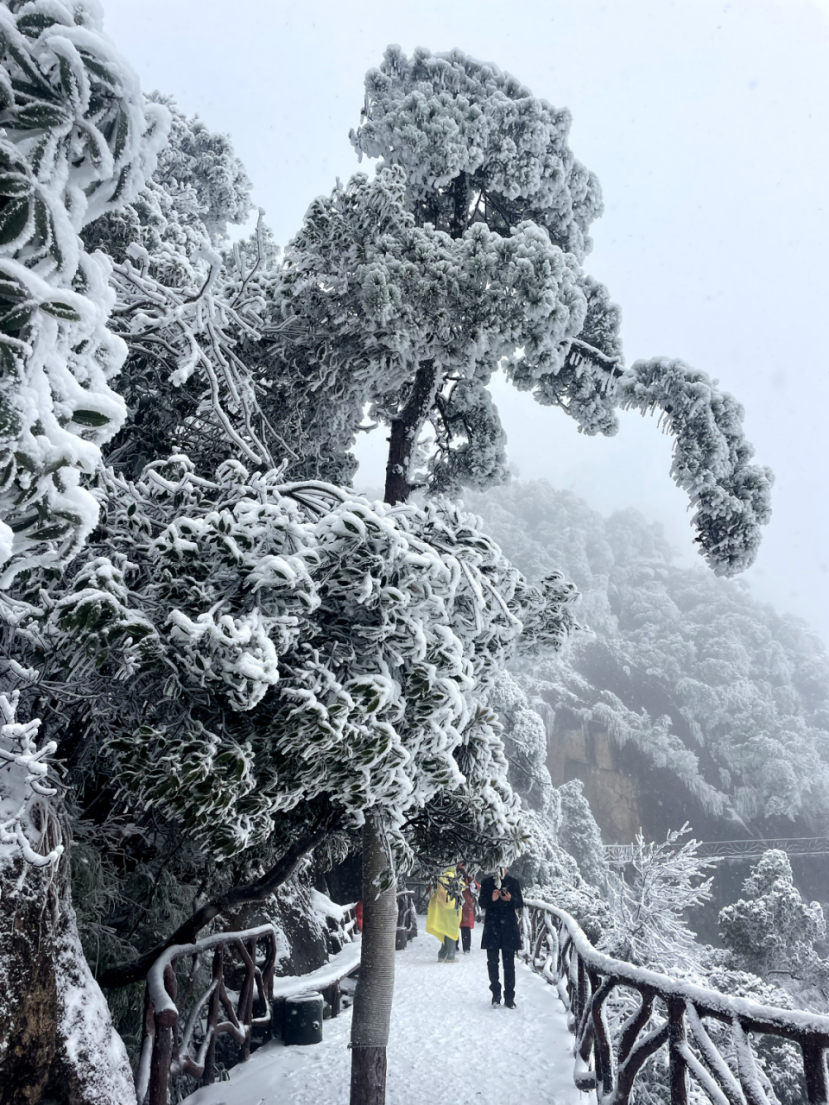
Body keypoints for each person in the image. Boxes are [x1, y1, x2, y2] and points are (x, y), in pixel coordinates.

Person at [479, 866, 524, 1007]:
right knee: (492, 963)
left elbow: (520, 903)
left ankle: (509, 997)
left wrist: (510, 899)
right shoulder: (486, 883)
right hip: (492, 928)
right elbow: (481, 903)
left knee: (509, 965)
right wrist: (492, 899)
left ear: (508, 867)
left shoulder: (513, 882)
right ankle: (496, 995)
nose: (500, 870)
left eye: (503, 867)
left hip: (509, 928)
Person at [426, 865, 462, 963]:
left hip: (442, 908)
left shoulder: (441, 877)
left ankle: (442, 954)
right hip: (451, 908)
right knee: (451, 931)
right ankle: (450, 956)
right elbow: (460, 888)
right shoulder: (451, 876)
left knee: (446, 931)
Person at [456, 861, 479, 953]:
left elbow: (476, 886)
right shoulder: (468, 876)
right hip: (465, 902)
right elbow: (476, 887)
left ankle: (457, 946)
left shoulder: (468, 876)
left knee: (458, 925)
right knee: (463, 926)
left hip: (461, 902)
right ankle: (465, 947)